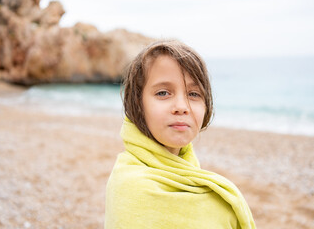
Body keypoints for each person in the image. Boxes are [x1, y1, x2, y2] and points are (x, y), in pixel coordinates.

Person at [105, 40, 256, 229]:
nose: (182, 107)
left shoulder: (195, 178)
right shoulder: (130, 185)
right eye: (163, 93)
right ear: (137, 103)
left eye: (193, 94)